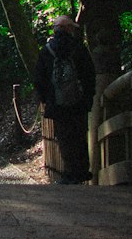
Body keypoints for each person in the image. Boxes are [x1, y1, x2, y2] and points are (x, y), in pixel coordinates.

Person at [34, 17, 96, 184]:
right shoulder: (78, 48)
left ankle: (69, 172)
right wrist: (88, 96)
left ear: (55, 30)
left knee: (64, 137)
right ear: (69, 29)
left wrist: (45, 99)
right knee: (80, 134)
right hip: (78, 102)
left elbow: (39, 78)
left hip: (57, 102)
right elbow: (89, 75)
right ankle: (81, 171)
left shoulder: (47, 50)